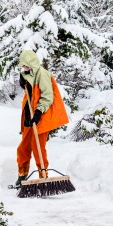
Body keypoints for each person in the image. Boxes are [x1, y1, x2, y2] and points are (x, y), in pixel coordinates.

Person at [15, 50, 69, 188]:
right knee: (23, 147)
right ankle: (22, 175)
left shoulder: (42, 74)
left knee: (37, 146)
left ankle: (43, 174)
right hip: (29, 114)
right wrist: (23, 82)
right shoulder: (27, 74)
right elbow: (30, 91)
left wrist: (38, 112)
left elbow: (47, 96)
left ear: (32, 63)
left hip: (41, 115)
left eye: (26, 66)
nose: (24, 69)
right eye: (23, 66)